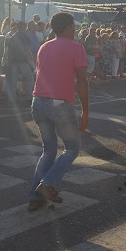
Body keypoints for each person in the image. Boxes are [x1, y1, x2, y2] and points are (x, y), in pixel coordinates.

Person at [28, 12, 89, 211]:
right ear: (69, 27)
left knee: (48, 151)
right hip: (59, 103)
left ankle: (35, 197)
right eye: (74, 26)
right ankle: (47, 184)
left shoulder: (44, 47)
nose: (76, 30)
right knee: (71, 149)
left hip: (38, 101)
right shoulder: (76, 47)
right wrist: (85, 111)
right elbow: (82, 80)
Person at [2, 21, 35, 101]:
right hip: (23, 61)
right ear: (22, 27)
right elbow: (27, 48)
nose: (25, 29)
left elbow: (9, 51)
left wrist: (9, 61)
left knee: (13, 79)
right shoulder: (24, 36)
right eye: (25, 27)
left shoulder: (12, 37)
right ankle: (29, 96)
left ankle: (11, 97)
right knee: (30, 78)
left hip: (13, 61)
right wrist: (31, 58)